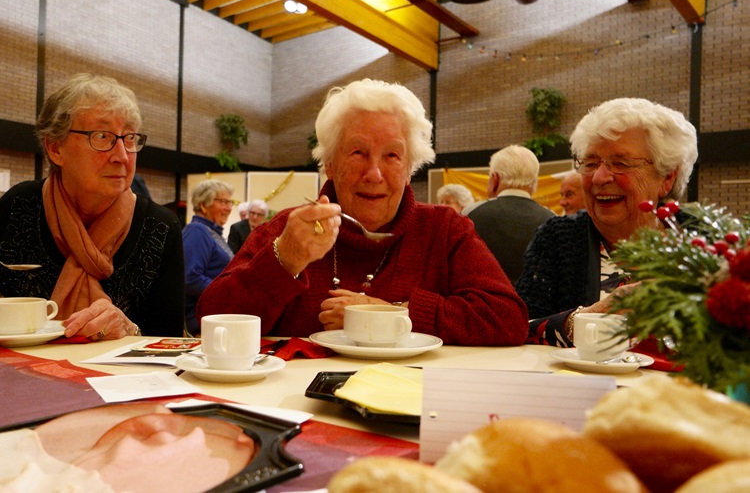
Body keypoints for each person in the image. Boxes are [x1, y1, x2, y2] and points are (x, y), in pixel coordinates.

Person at [197, 79, 528, 346]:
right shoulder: (289, 229)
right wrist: (284, 260)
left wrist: (393, 315)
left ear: (410, 166)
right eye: (357, 152)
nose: (374, 174)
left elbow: (508, 319)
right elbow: (209, 321)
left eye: (392, 155)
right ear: (329, 163)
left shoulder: (444, 229)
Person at [0, 73, 184, 340]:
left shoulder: (160, 227)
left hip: (121, 379)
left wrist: (130, 330)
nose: (122, 156)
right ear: (55, 148)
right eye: (102, 136)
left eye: (130, 138)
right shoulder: (19, 207)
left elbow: (170, 341)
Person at [516, 97, 698, 346]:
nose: (600, 177)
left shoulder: (706, 239)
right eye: (590, 163)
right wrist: (586, 319)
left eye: (621, 163)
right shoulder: (558, 238)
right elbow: (516, 327)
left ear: (667, 177)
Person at [466, 145, 556, 284]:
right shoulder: (553, 219)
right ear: (534, 183)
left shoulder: (471, 214)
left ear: (494, 179)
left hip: (486, 302)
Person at [183, 179, 236, 335]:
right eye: (222, 202)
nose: (228, 208)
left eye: (229, 202)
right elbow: (189, 278)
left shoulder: (211, 232)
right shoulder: (197, 231)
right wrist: (225, 292)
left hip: (214, 319)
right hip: (202, 322)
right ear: (203, 205)